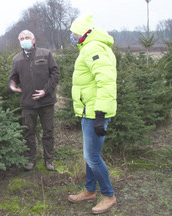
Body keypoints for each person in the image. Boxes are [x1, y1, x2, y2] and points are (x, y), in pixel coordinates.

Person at [67, 14, 117, 214]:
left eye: (74, 33)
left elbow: (105, 82)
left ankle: (109, 195)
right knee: (90, 155)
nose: (72, 36)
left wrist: (100, 114)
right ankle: (89, 190)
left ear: (84, 32)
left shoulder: (93, 48)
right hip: (89, 109)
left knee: (92, 156)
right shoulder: (89, 47)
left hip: (95, 112)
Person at [8, 30, 60, 171]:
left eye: (27, 38)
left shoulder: (45, 54)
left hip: (46, 101)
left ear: (33, 39)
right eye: (22, 38)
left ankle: (49, 160)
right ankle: (30, 159)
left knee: (48, 131)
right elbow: (13, 77)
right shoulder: (17, 59)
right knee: (28, 132)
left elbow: (55, 74)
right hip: (28, 103)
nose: (24, 40)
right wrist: (12, 85)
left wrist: (45, 91)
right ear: (19, 42)